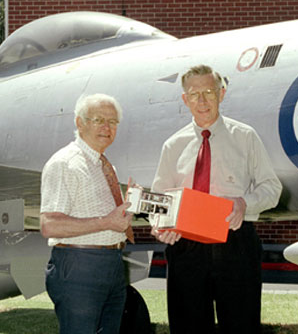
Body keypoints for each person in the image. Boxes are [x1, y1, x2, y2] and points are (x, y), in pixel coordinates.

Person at [151, 65, 282, 334]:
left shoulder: (245, 137)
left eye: (209, 92)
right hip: (186, 247)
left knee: (241, 326)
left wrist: (245, 203)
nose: (202, 101)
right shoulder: (172, 145)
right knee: (188, 326)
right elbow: (159, 203)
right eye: (194, 94)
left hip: (236, 243)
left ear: (221, 94)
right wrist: (159, 225)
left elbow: (272, 188)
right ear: (184, 99)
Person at [40, 93, 133, 334]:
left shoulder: (105, 165)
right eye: (98, 120)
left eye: (113, 122)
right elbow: (50, 225)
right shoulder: (65, 163)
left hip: (112, 264)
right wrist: (106, 222)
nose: (106, 127)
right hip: (79, 267)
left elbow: (108, 219)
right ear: (79, 123)